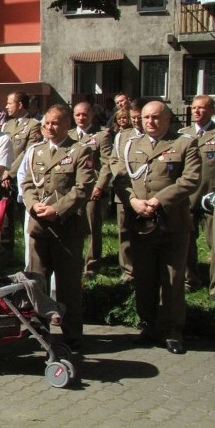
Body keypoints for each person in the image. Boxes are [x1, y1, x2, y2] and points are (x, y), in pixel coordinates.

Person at [115, 100, 199, 355]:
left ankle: (173, 331)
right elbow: (120, 177)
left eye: (155, 118)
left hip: (172, 223)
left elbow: (190, 179)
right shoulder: (132, 144)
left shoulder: (184, 143)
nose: (149, 122)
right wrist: (132, 200)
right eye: (146, 117)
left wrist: (157, 200)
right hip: (141, 222)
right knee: (145, 277)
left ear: (168, 119)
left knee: (172, 278)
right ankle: (148, 326)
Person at [22, 104, 95, 352]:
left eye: (54, 123)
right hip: (39, 228)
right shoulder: (35, 152)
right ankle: (38, 330)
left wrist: (57, 209)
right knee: (36, 281)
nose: (49, 128)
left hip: (66, 229)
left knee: (68, 286)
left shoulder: (79, 151)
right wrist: (33, 206)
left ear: (67, 125)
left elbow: (83, 188)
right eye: (45, 123)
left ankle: (72, 334)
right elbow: (27, 183)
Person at [69, 101, 113, 277]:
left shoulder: (102, 136)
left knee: (93, 227)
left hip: (92, 189)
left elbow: (107, 163)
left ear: (92, 116)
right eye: (77, 114)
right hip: (73, 189)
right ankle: (75, 261)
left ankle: (91, 265)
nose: (81, 118)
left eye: (84, 114)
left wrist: (100, 186)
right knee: (74, 226)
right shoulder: (70, 135)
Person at [178, 94, 215, 292]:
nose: (197, 111)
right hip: (188, 198)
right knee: (186, 242)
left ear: (212, 111)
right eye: (194, 108)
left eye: (202, 108)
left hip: (212, 198)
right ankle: (190, 280)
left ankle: (214, 287)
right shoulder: (183, 135)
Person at [0, 92, 42, 261]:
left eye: (10, 103)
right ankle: (7, 251)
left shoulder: (34, 125)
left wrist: (9, 172)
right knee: (5, 217)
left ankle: (30, 252)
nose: (6, 106)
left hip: (21, 177)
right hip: (4, 178)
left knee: (25, 215)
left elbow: (28, 151)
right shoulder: (6, 125)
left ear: (20, 105)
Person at [110, 100, 144, 283]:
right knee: (124, 231)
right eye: (134, 118)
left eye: (139, 117)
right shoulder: (123, 136)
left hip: (146, 193)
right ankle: (128, 271)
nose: (137, 121)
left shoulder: (151, 137)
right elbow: (114, 160)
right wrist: (119, 177)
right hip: (124, 190)